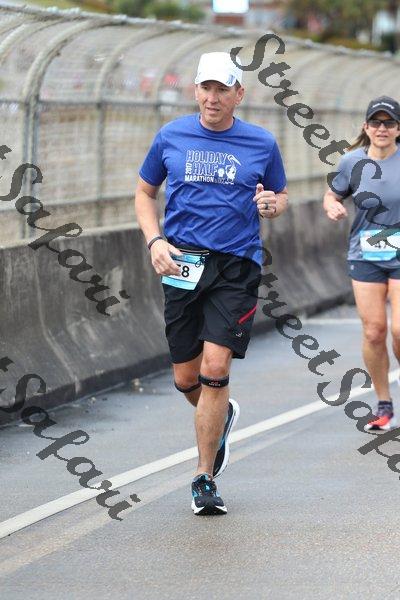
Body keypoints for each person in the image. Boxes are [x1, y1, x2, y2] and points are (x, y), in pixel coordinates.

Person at [135, 51, 288, 515]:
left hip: (236, 267)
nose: (213, 98)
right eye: (206, 88)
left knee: (216, 367)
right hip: (182, 263)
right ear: (195, 90)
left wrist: (271, 205)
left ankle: (204, 478)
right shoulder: (171, 136)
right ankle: (221, 413)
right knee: (186, 378)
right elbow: (144, 193)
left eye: (223, 89)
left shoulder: (261, 142)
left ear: (239, 94)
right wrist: (154, 240)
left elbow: (280, 195)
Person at [323, 95, 400, 431]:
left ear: (398, 129)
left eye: (389, 123)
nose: (382, 128)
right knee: (374, 331)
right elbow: (332, 194)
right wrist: (332, 206)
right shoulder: (351, 162)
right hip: (365, 254)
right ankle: (384, 404)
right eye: (376, 122)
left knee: (399, 330)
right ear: (366, 127)